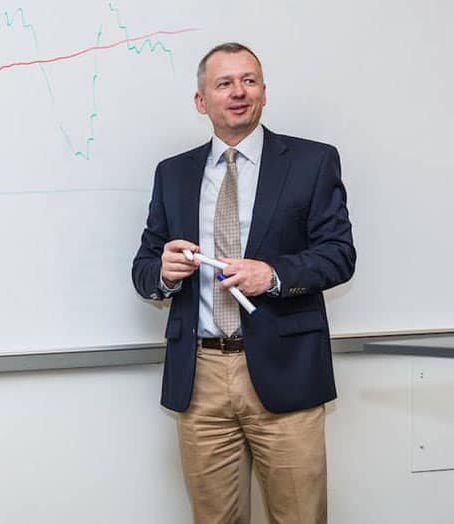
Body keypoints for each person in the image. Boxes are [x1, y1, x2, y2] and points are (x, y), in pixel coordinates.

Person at [132, 42, 354, 523]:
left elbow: (339, 256)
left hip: (287, 372)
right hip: (201, 377)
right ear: (201, 101)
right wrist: (164, 275)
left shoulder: (312, 162)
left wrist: (273, 275)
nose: (238, 92)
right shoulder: (173, 173)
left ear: (264, 93)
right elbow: (145, 266)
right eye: (224, 83)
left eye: (249, 80)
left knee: (299, 515)